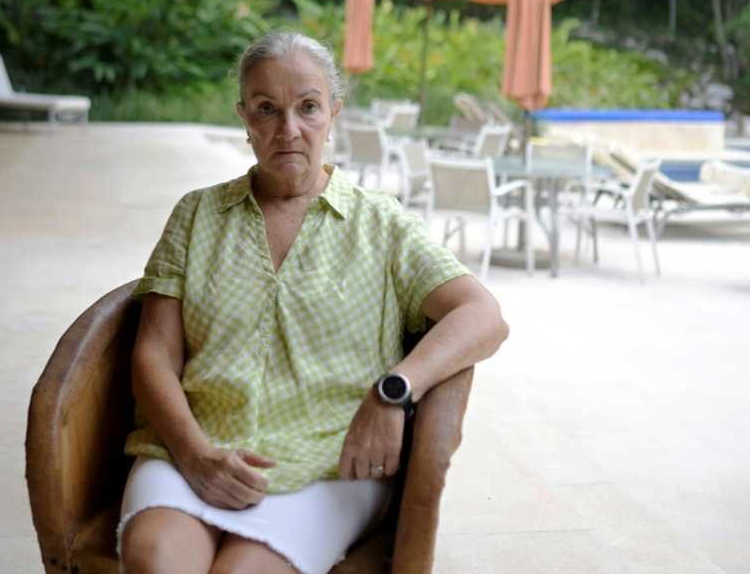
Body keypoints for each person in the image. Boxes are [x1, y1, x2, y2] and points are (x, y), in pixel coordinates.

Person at [119, 31, 509, 574]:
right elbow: (154, 354)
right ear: (245, 120)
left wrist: (392, 391)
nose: (289, 130)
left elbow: (482, 316)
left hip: (328, 461)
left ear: (334, 113)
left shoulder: (381, 224)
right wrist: (195, 454)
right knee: (153, 558)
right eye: (266, 110)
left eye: (307, 107)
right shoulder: (198, 215)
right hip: (194, 447)